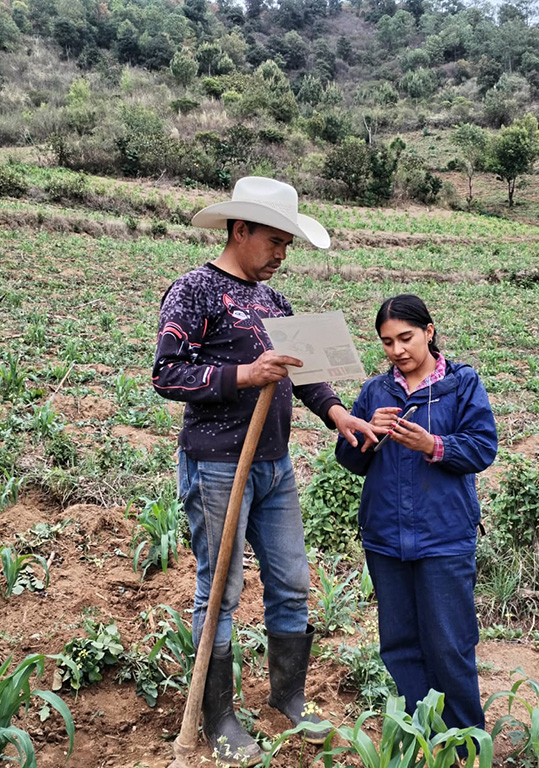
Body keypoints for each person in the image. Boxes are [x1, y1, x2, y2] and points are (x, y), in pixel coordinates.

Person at [152, 176, 378, 766]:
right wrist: (245, 376)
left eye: (288, 244)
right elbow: (167, 374)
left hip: (274, 463)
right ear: (240, 229)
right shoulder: (194, 291)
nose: (281, 254)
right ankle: (219, 714)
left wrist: (337, 415)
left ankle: (288, 694)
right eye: (274, 241)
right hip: (219, 465)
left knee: (291, 580)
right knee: (221, 589)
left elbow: (304, 374)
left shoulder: (275, 303)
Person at [334, 294, 498, 734]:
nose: (397, 350)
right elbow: (350, 460)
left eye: (405, 338)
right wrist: (367, 434)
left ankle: (463, 744)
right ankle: (421, 735)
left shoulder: (461, 384)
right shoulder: (375, 392)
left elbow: (483, 448)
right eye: (387, 342)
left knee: (450, 645)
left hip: (444, 536)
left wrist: (433, 445)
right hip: (386, 536)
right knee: (400, 644)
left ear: (428, 332)